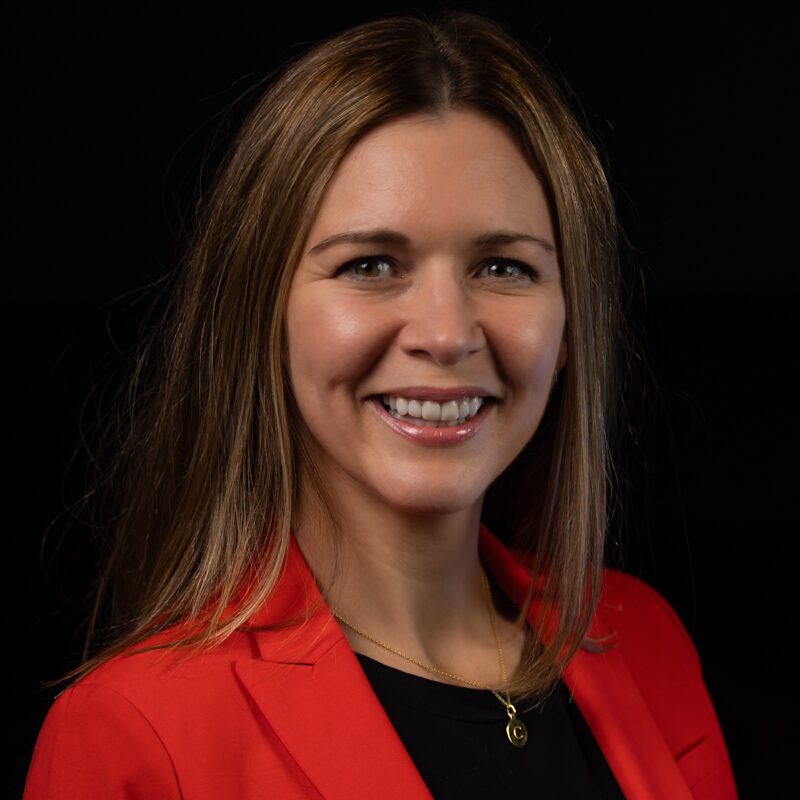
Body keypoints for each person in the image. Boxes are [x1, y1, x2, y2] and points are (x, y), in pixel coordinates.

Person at [24, 11, 737, 799]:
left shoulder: (644, 643)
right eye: (370, 264)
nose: (445, 333)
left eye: (503, 267)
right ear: (263, 315)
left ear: (571, 323)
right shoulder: (137, 730)